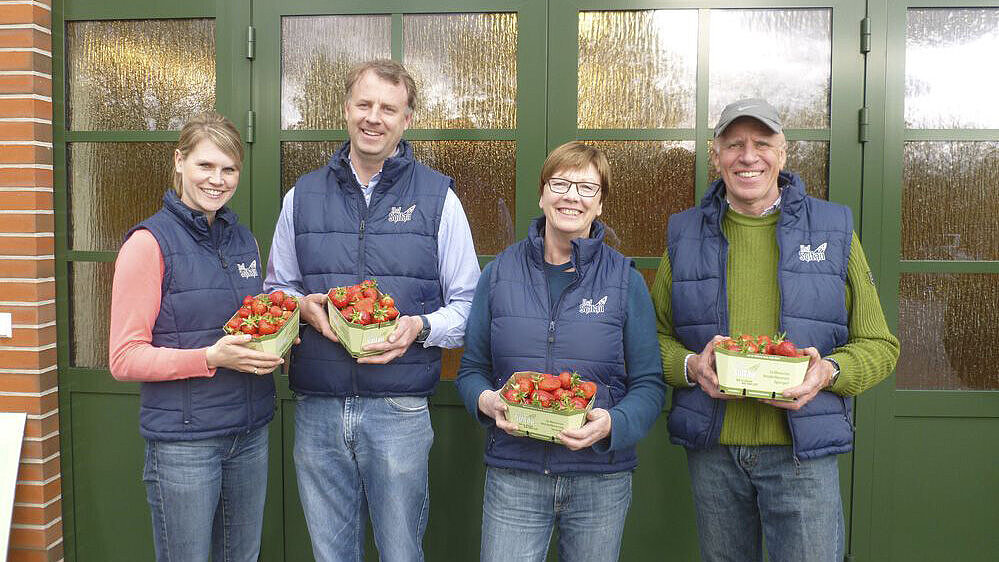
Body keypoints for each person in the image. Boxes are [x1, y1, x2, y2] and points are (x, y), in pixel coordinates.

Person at [652, 98, 900, 562]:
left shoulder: (834, 229)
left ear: (783, 155)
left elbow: (880, 346)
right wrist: (690, 366)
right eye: (734, 145)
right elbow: (652, 340)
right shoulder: (683, 236)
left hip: (802, 453)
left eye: (762, 143)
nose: (748, 156)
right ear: (717, 155)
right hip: (715, 453)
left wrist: (826, 372)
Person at [264, 59, 480, 561]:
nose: (374, 117)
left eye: (389, 108)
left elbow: (469, 306)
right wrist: (302, 307)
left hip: (399, 409)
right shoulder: (302, 196)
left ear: (407, 120)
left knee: (401, 553)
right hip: (318, 405)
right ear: (345, 109)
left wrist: (418, 328)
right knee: (330, 554)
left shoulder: (438, 198)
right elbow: (277, 288)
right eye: (364, 104)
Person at [456, 141, 666, 562]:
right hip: (515, 474)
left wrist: (612, 424)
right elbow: (472, 370)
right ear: (542, 194)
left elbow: (649, 384)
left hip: (599, 479)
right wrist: (486, 401)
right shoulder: (499, 274)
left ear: (601, 203)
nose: (572, 196)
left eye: (587, 188)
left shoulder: (624, 280)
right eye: (560, 183)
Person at [109, 112, 282, 561]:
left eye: (229, 169)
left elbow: (248, 321)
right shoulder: (148, 244)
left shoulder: (243, 240)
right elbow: (125, 358)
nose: (217, 180)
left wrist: (280, 334)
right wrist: (210, 358)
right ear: (179, 162)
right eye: (206, 166)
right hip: (185, 445)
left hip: (249, 432)